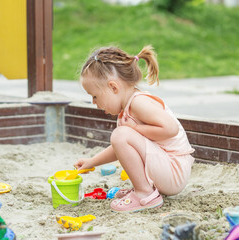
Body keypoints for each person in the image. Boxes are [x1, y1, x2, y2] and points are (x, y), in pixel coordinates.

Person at [74, 45, 195, 212]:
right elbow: (120, 148)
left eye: (95, 96)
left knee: (121, 135)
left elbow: (171, 128)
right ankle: (144, 189)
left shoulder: (139, 102)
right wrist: (92, 162)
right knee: (121, 136)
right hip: (164, 168)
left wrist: (135, 129)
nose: (94, 102)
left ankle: (144, 193)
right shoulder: (127, 111)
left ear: (113, 87)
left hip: (173, 170)